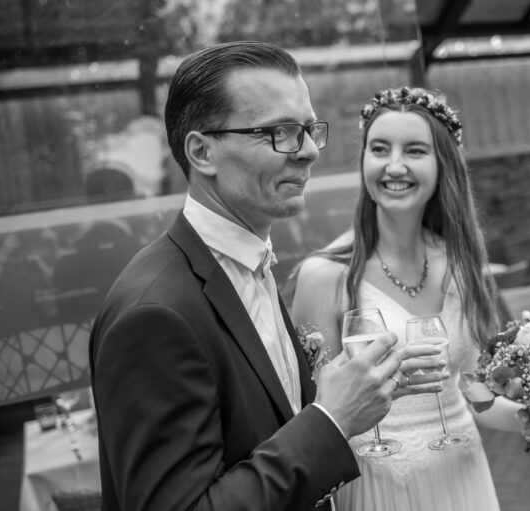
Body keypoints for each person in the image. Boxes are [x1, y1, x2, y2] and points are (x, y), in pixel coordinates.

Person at [89, 41, 409, 511]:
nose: (308, 151)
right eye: (280, 132)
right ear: (202, 152)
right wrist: (331, 419)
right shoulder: (154, 315)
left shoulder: (247, 262)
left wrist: (347, 390)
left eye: (308, 130)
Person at [291, 86, 530, 511]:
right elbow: (310, 420)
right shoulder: (324, 277)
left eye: (414, 151)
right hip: (376, 486)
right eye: (379, 149)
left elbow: (470, 389)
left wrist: (525, 418)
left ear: (443, 165)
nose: (394, 165)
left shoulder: (461, 263)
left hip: (463, 477)